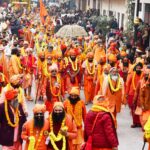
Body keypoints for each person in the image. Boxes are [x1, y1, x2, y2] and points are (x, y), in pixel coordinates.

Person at [126, 62, 143, 128]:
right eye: (137, 68)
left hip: (140, 94)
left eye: (139, 68)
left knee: (140, 108)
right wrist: (127, 94)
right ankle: (135, 122)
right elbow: (128, 84)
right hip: (132, 94)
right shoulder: (132, 75)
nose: (138, 69)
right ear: (135, 68)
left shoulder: (144, 75)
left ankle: (140, 122)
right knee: (133, 108)